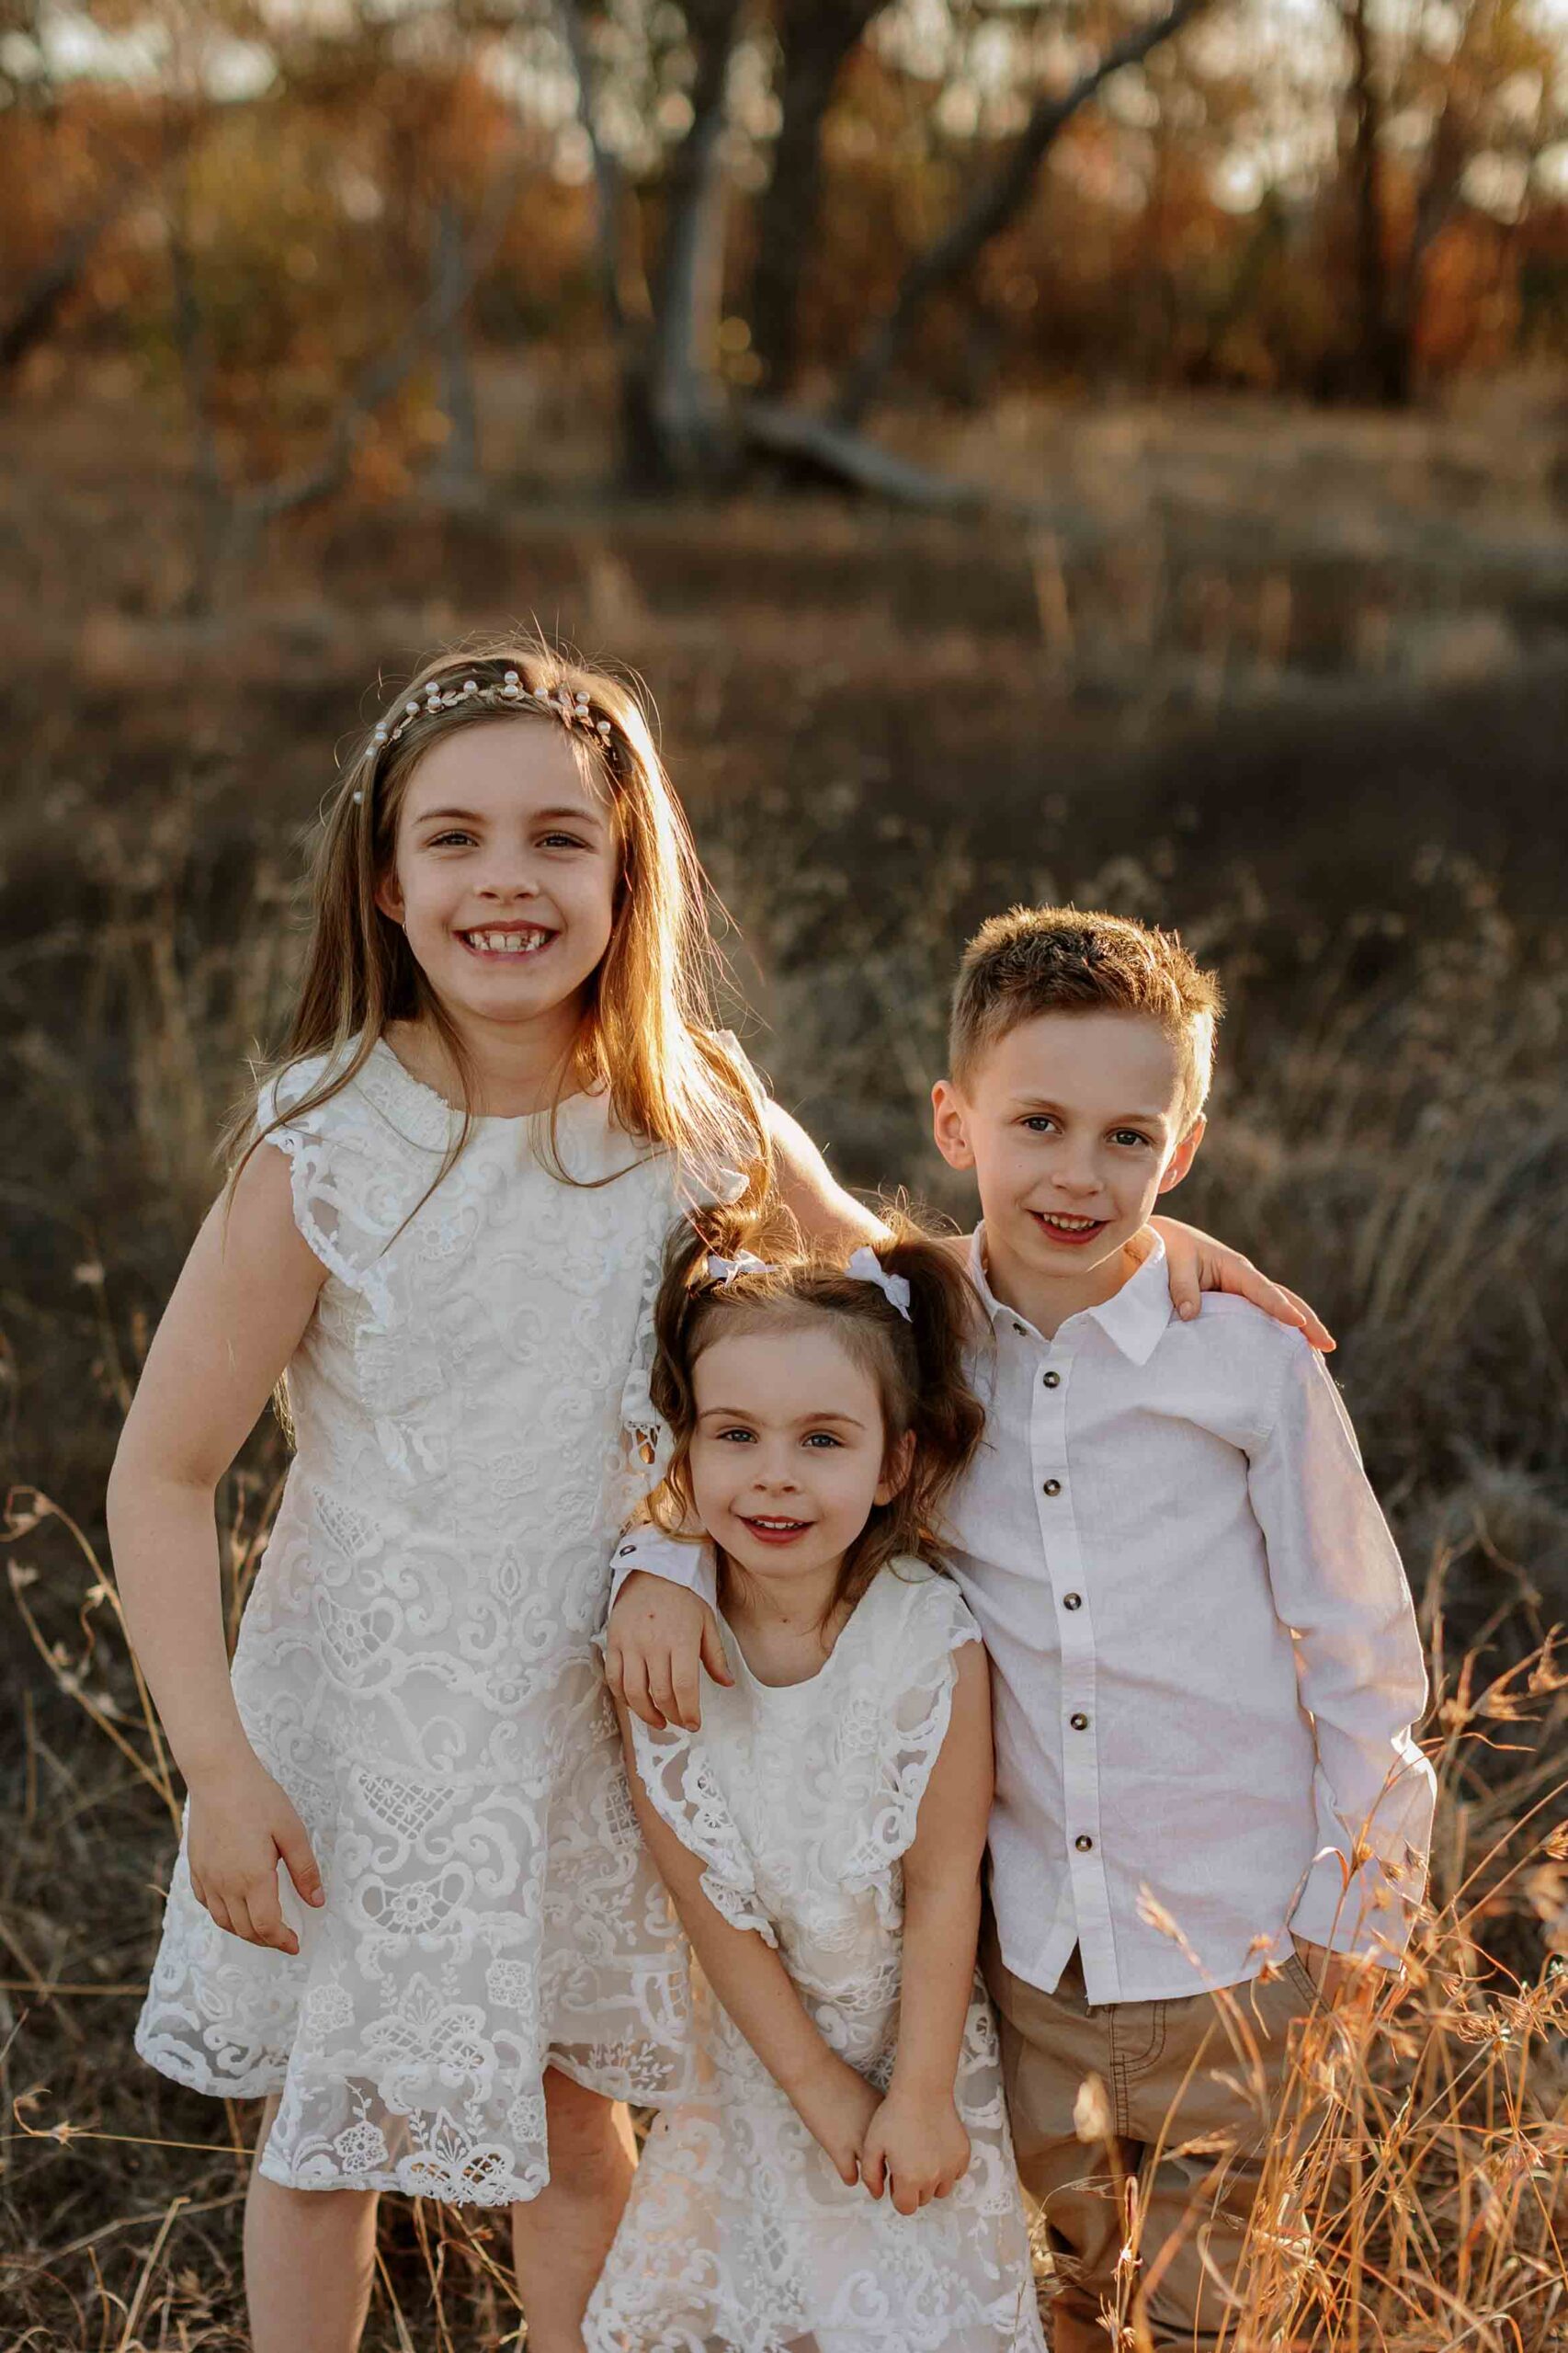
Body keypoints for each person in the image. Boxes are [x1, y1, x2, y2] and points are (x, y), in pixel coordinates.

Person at [108, 639, 883, 2353]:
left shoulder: (696, 1121)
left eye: (557, 839)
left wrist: (1147, 1254)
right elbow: (162, 1475)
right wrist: (217, 1771)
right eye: (454, 840)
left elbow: (897, 1300)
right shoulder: (329, 1141)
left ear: (628, 871)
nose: (506, 882)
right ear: (386, 882)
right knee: (328, 2142)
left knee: (569, 2136)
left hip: (588, 1717)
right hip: (361, 1723)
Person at [607, 905, 1436, 2353]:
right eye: (1036, 1122)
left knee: (1215, 2311)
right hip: (1028, 1960)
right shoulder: (911, 1326)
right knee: (1054, 2296)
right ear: (954, 1121)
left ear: (1178, 1153)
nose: (1078, 1171)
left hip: (1239, 1943)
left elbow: (1360, 1648)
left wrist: (1349, 1926)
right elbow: (762, 1419)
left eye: (1129, 1139)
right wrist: (662, 1555)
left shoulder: (1240, 1363)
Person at [585, 1213, 1047, 2353]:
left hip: (918, 2044)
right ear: (683, 1452)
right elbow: (704, 1904)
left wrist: (920, 2092)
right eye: (735, 1435)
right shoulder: (659, 1648)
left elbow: (947, 1883)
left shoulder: (928, 1638)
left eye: (822, 1441)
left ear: (891, 1463)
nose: (775, 1477)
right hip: (757, 2059)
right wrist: (815, 2087)